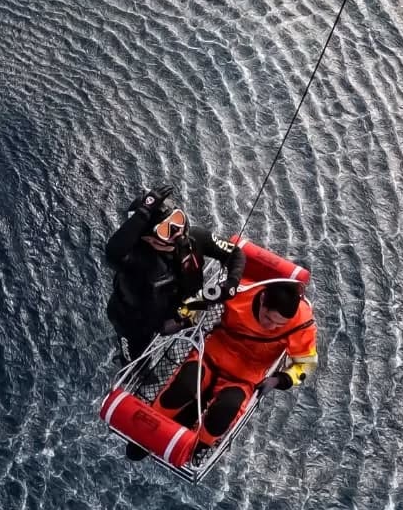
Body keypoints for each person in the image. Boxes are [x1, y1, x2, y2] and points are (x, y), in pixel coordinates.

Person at [134, 280, 317, 462]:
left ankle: (195, 447)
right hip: (209, 356)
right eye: (268, 318)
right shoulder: (239, 291)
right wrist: (183, 317)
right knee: (182, 387)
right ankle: (148, 428)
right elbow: (199, 300)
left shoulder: (301, 323)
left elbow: (307, 364)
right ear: (262, 299)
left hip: (243, 379)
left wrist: (281, 379)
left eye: (279, 325)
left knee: (226, 410)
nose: (271, 327)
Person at [104, 184, 246, 362]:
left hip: (183, 308)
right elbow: (112, 254)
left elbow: (235, 253)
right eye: (165, 229)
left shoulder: (196, 238)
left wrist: (232, 283)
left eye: (178, 220)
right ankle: (132, 363)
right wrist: (143, 213)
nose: (177, 231)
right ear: (147, 238)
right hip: (136, 322)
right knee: (134, 358)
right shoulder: (136, 261)